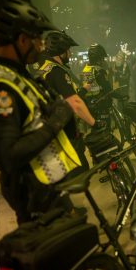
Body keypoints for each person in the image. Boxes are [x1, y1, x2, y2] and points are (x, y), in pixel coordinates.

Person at [0, 0, 82, 224]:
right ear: (22, 40)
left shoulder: (15, 74)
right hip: (33, 199)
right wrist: (56, 121)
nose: (41, 46)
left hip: (48, 190)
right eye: (37, 40)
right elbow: (8, 156)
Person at [32, 30, 106, 174]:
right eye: (68, 51)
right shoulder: (57, 71)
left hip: (50, 129)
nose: (70, 54)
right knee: (81, 171)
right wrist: (94, 123)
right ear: (60, 52)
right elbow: (74, 102)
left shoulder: (44, 68)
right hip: (63, 131)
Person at [80, 43, 115, 128]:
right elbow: (108, 88)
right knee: (106, 131)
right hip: (101, 106)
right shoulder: (99, 71)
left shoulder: (85, 69)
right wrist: (118, 95)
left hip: (90, 106)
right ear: (98, 58)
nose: (103, 60)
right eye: (102, 58)